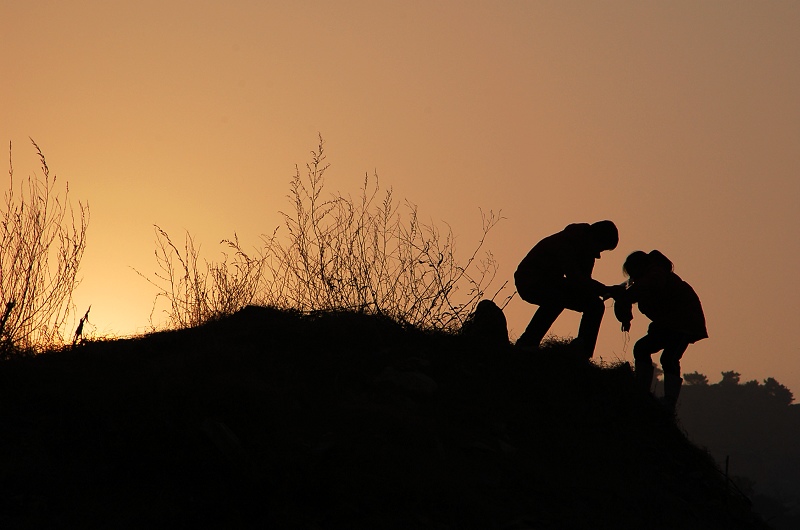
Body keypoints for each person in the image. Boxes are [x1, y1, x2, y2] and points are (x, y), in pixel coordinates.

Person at [614, 250, 708, 412]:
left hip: (684, 323)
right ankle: (642, 392)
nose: (633, 278)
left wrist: (625, 297)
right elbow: (630, 295)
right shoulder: (649, 276)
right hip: (668, 324)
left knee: (669, 358)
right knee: (642, 348)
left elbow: (646, 287)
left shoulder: (656, 273)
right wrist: (625, 316)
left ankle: (669, 402)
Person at [514, 220, 620, 358]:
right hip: (529, 279)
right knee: (556, 298)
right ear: (594, 238)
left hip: (554, 283)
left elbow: (583, 285)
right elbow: (575, 278)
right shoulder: (568, 242)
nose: (599, 253)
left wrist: (607, 292)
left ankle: (582, 354)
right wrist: (605, 289)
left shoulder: (587, 252)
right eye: (601, 247)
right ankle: (527, 343)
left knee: (595, 305)